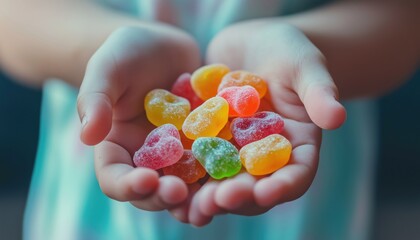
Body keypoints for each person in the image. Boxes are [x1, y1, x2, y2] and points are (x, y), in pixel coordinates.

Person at [0, 0, 418, 239]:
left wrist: (313, 51)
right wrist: (99, 50)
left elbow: (403, 19)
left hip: (303, 204)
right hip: (94, 205)